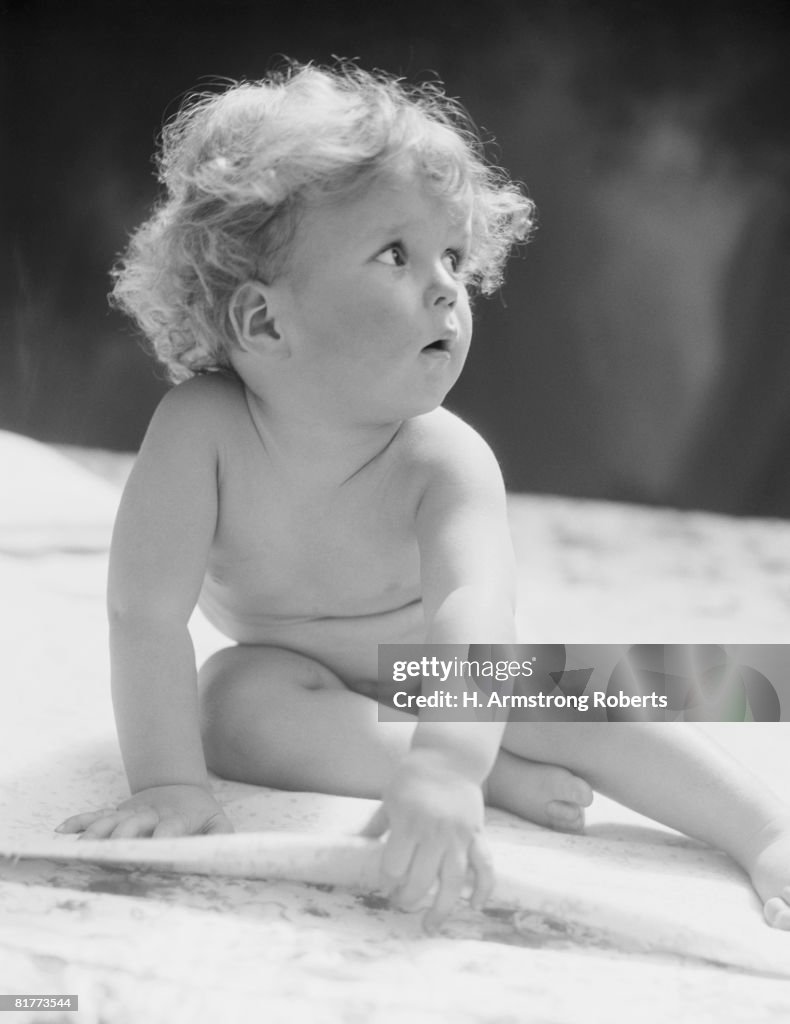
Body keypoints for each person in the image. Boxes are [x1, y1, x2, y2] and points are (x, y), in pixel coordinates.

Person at [58, 62, 790, 933]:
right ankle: (488, 775)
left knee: (589, 694)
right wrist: (170, 785)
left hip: (453, 670)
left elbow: (473, 616)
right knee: (227, 705)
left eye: (452, 255)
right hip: (296, 673)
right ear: (263, 322)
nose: (448, 284)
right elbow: (142, 617)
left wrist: (445, 760)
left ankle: (764, 827)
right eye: (395, 254)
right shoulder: (198, 432)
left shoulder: (446, 461)